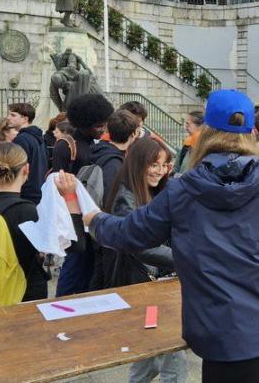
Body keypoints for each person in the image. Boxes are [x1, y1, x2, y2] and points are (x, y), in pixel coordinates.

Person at [81, 89, 259, 383]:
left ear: (205, 132)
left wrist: (91, 217)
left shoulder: (184, 189)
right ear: (251, 133)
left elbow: (128, 233)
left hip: (230, 335)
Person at [103, 138, 184, 383]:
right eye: (153, 164)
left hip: (157, 282)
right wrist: (183, 259)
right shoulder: (125, 195)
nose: (159, 171)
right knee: (171, 351)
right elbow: (138, 245)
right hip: (141, 282)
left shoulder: (158, 190)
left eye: (164, 165)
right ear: (139, 163)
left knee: (150, 351)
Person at [0, 142, 84, 302]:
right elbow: (76, 245)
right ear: (26, 169)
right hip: (22, 289)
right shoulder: (26, 211)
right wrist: (70, 199)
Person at [55, 93, 114, 296]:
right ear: (85, 123)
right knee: (75, 266)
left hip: (92, 214)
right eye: (99, 125)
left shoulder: (97, 144)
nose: (103, 129)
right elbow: (60, 186)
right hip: (75, 217)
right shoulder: (66, 146)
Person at [89, 110, 141, 291]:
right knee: (109, 281)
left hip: (97, 224)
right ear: (133, 133)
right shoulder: (115, 164)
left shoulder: (99, 152)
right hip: (109, 229)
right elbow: (114, 201)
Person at [6, 103, 47, 204]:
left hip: (24, 194)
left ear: (25, 119)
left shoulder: (21, 139)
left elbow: (16, 168)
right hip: (38, 192)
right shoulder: (38, 138)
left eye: (13, 115)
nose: (8, 118)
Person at [173, 109, 204, 174]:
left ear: (201, 126)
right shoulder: (186, 146)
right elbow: (176, 169)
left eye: (188, 124)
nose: (186, 127)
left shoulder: (207, 150)